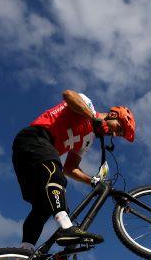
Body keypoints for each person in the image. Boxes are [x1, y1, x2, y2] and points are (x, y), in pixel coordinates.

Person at [11, 91, 135, 249]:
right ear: (112, 114)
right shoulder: (86, 105)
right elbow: (68, 95)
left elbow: (70, 168)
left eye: (118, 134)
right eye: (118, 128)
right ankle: (66, 228)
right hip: (35, 138)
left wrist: (92, 181)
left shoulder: (88, 140)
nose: (115, 134)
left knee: (44, 207)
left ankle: (23, 252)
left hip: (30, 157)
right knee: (56, 175)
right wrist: (93, 118)